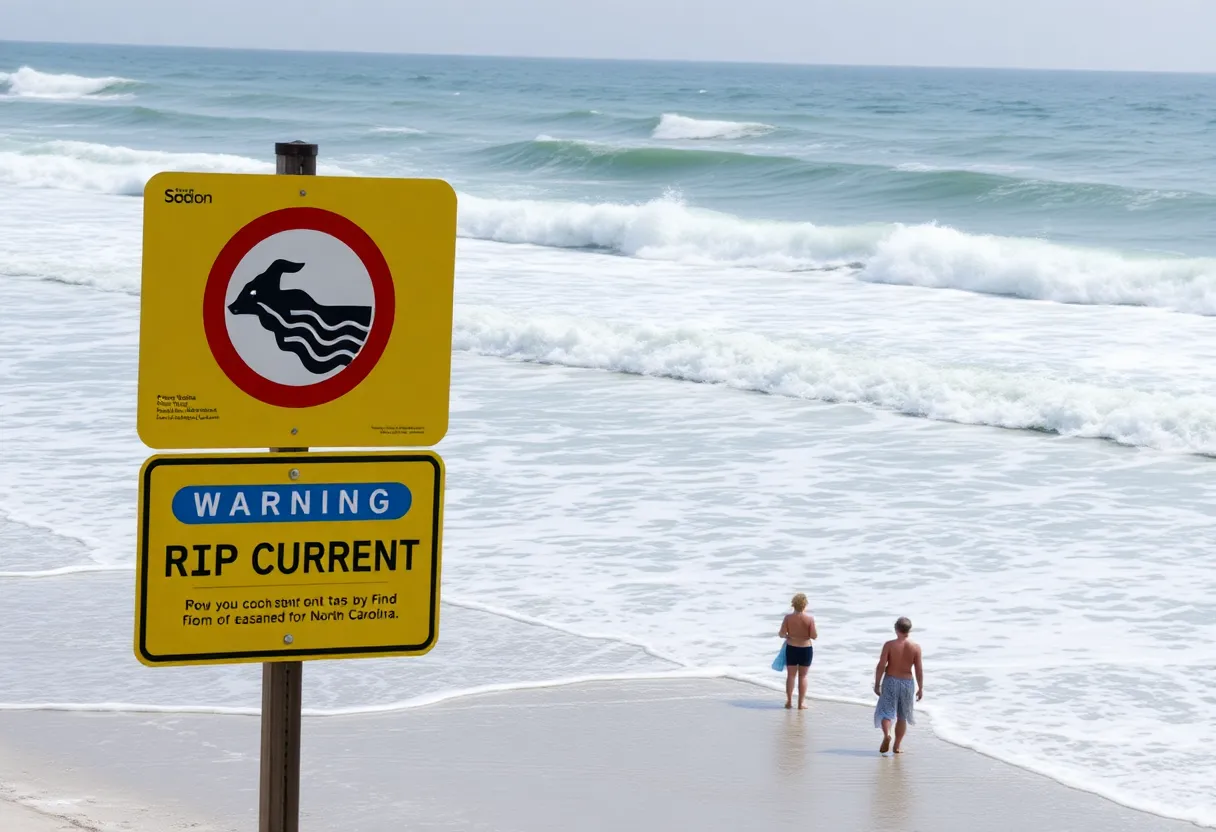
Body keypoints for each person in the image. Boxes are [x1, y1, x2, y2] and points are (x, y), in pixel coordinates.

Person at [873, 616, 923, 754]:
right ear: (909, 630)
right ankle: (897, 746)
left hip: (891, 681)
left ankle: (887, 734)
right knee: (902, 716)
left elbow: (881, 665)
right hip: (907, 683)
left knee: (886, 712)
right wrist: (921, 688)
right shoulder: (916, 647)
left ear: (896, 629)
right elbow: (918, 669)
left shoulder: (889, 645)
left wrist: (877, 684)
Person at [778, 593, 817, 710]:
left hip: (792, 648)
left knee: (790, 675)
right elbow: (814, 636)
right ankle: (801, 704)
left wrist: (789, 636)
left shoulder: (788, 618)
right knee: (803, 676)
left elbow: (781, 634)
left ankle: (789, 701)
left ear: (793, 604)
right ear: (805, 605)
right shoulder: (809, 619)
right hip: (805, 649)